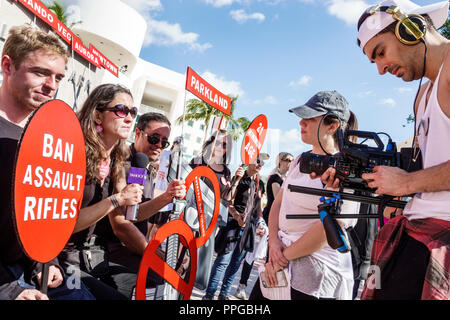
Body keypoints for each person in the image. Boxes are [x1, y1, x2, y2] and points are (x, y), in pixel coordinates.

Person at [356, 0, 450, 300]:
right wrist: (359, 177)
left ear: (412, 29)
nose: (381, 69)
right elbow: (422, 169)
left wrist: (406, 183)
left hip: (439, 240)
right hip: (409, 233)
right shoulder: (422, 94)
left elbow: (411, 180)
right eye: (373, 61)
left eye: (380, 52)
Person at [0, 24, 93, 300]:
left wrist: (46, 260)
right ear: (8, 66)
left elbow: (42, 214)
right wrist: (8, 290)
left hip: (29, 270)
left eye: (58, 77)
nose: (51, 85)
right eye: (40, 72)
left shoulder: (47, 138)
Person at [250, 90, 359, 300]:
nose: (302, 123)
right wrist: (273, 243)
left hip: (316, 276)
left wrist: (281, 258)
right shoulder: (300, 160)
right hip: (278, 263)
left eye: (310, 118)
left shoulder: (349, 168)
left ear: (332, 125)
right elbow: (279, 204)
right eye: (302, 118)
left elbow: (330, 229)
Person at [58, 83, 144, 300]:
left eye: (132, 112)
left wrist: (167, 196)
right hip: (58, 258)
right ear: (98, 116)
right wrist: (117, 199)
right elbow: (65, 224)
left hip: (91, 254)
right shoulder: (74, 151)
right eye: (121, 110)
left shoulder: (117, 158)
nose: (129, 118)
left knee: (145, 285)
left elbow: (127, 211)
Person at [96, 112, 186, 283]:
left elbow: (134, 213)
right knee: (157, 280)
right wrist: (154, 254)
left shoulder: (143, 163)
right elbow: (122, 225)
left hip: (132, 248)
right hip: (112, 250)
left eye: (164, 142)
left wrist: (168, 196)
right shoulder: (122, 163)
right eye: (154, 138)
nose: (159, 145)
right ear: (137, 133)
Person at [203, 154, 266, 300]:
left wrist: (261, 222)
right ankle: (209, 295)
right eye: (257, 160)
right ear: (248, 162)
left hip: (248, 227)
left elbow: (258, 207)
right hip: (232, 223)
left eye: (262, 162)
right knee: (223, 261)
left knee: (236, 264)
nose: (260, 164)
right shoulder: (239, 178)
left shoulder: (259, 183)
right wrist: (237, 216)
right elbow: (227, 200)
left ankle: (224, 294)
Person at [234, 152, 293, 300]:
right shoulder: (276, 178)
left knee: (263, 257)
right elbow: (281, 201)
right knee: (251, 255)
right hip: (269, 220)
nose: (290, 162)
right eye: (287, 160)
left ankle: (262, 290)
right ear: (280, 161)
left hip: (279, 222)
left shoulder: (285, 179)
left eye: (292, 160)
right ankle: (244, 286)